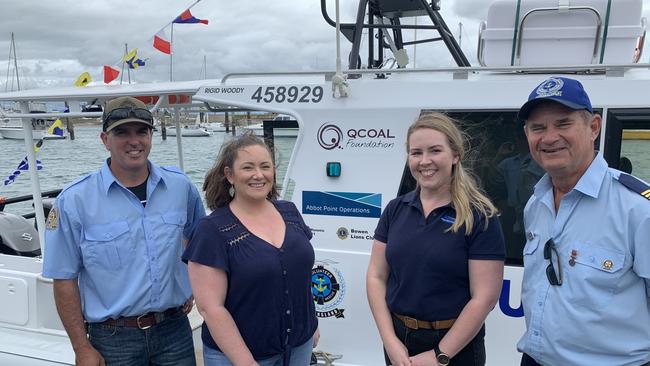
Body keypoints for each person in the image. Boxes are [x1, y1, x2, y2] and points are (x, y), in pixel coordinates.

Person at [43, 96, 206, 366]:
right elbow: (64, 278)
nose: (134, 141)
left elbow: (199, 241)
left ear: (151, 136)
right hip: (112, 338)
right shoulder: (74, 201)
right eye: (122, 132)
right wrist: (81, 347)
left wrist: (191, 286)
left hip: (174, 329)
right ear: (105, 139)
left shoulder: (181, 187)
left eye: (141, 131)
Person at [516, 77, 650, 366]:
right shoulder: (535, 204)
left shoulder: (638, 210)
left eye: (563, 124)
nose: (549, 138)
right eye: (538, 128)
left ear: (593, 128)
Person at [367, 113, 506, 366]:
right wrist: (390, 340)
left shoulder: (480, 216)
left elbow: (484, 297)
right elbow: (376, 276)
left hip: (455, 347)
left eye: (435, 151)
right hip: (399, 341)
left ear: (455, 155)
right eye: (416, 152)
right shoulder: (395, 209)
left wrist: (440, 355)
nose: (424, 161)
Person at [182, 134, 319, 366]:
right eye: (248, 167)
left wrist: (312, 324)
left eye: (265, 166)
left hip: (298, 347)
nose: (258, 174)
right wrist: (246, 362)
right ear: (229, 175)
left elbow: (301, 278)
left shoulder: (290, 212)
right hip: (239, 357)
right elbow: (210, 308)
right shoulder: (212, 230)